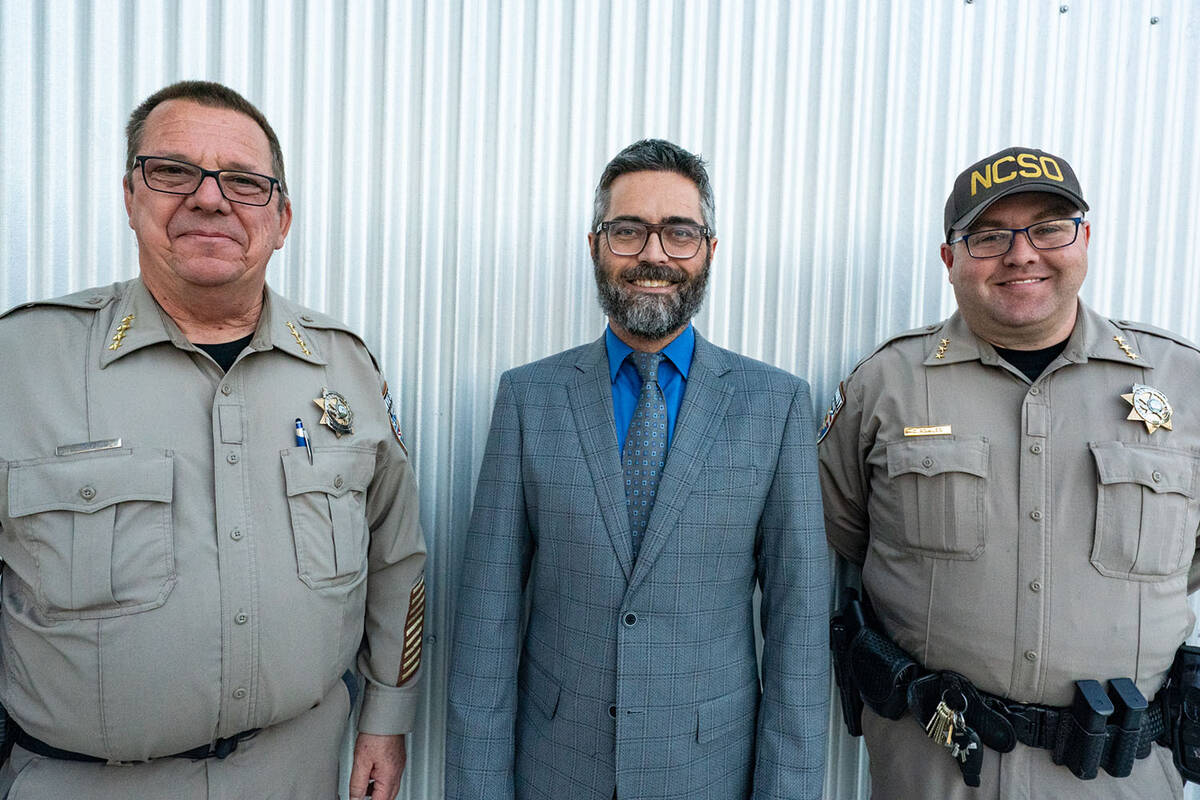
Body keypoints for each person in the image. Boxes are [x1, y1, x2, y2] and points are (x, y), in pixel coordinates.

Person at [0, 80, 426, 800]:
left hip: (298, 772)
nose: (209, 198)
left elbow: (395, 554)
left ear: (282, 218)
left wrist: (387, 717)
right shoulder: (22, 363)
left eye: (244, 182)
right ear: (131, 196)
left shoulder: (347, 367)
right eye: (173, 172)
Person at [445, 138, 828, 800]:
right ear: (596, 245)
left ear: (709, 249)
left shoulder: (776, 406)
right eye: (629, 231)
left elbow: (797, 630)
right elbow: (487, 618)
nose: (654, 253)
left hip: (709, 774)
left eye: (679, 232)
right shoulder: (529, 398)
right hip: (559, 769)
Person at [820, 146, 1200, 799]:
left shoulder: (1184, 385)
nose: (1021, 254)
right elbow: (848, 530)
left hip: (1116, 777)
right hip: (934, 771)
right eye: (989, 235)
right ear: (950, 259)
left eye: (1048, 228)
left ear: (1084, 238)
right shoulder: (885, 385)